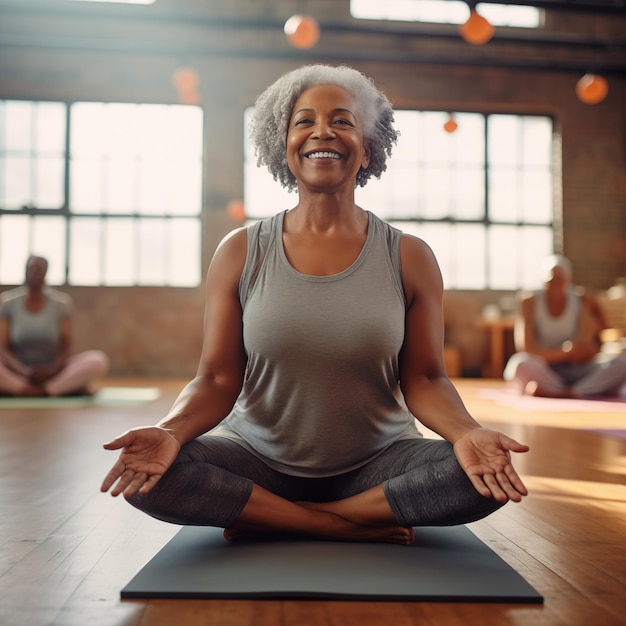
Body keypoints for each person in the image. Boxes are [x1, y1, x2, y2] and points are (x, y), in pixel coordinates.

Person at [101, 64, 529, 545]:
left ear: (368, 148)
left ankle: (274, 517)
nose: (322, 131)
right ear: (283, 146)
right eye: (303, 121)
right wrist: (170, 432)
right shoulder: (242, 250)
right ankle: (333, 523)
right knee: (153, 472)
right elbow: (217, 379)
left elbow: (426, 379)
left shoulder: (409, 256)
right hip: (257, 458)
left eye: (342, 120)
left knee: (479, 476)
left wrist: (467, 432)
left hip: (378, 461)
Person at [504, 254, 626, 398]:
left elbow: (598, 336)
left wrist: (586, 350)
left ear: (569, 281)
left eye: (561, 280)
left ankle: (570, 392)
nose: (556, 284)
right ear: (544, 281)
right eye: (552, 280)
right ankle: (574, 389)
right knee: (520, 363)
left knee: (623, 363)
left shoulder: (582, 299)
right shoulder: (529, 302)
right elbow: (526, 349)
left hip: (580, 370)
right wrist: (565, 352)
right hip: (547, 369)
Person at [0, 255, 109, 396]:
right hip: (17, 371)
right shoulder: (8, 303)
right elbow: (3, 347)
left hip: (52, 372)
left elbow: (65, 347)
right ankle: (23, 388)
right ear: (25, 271)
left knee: (98, 360)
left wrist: (52, 370)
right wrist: (22, 370)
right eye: (31, 269)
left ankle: (47, 390)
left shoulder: (61, 304)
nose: (34, 273)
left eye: (39, 269)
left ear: (46, 272)